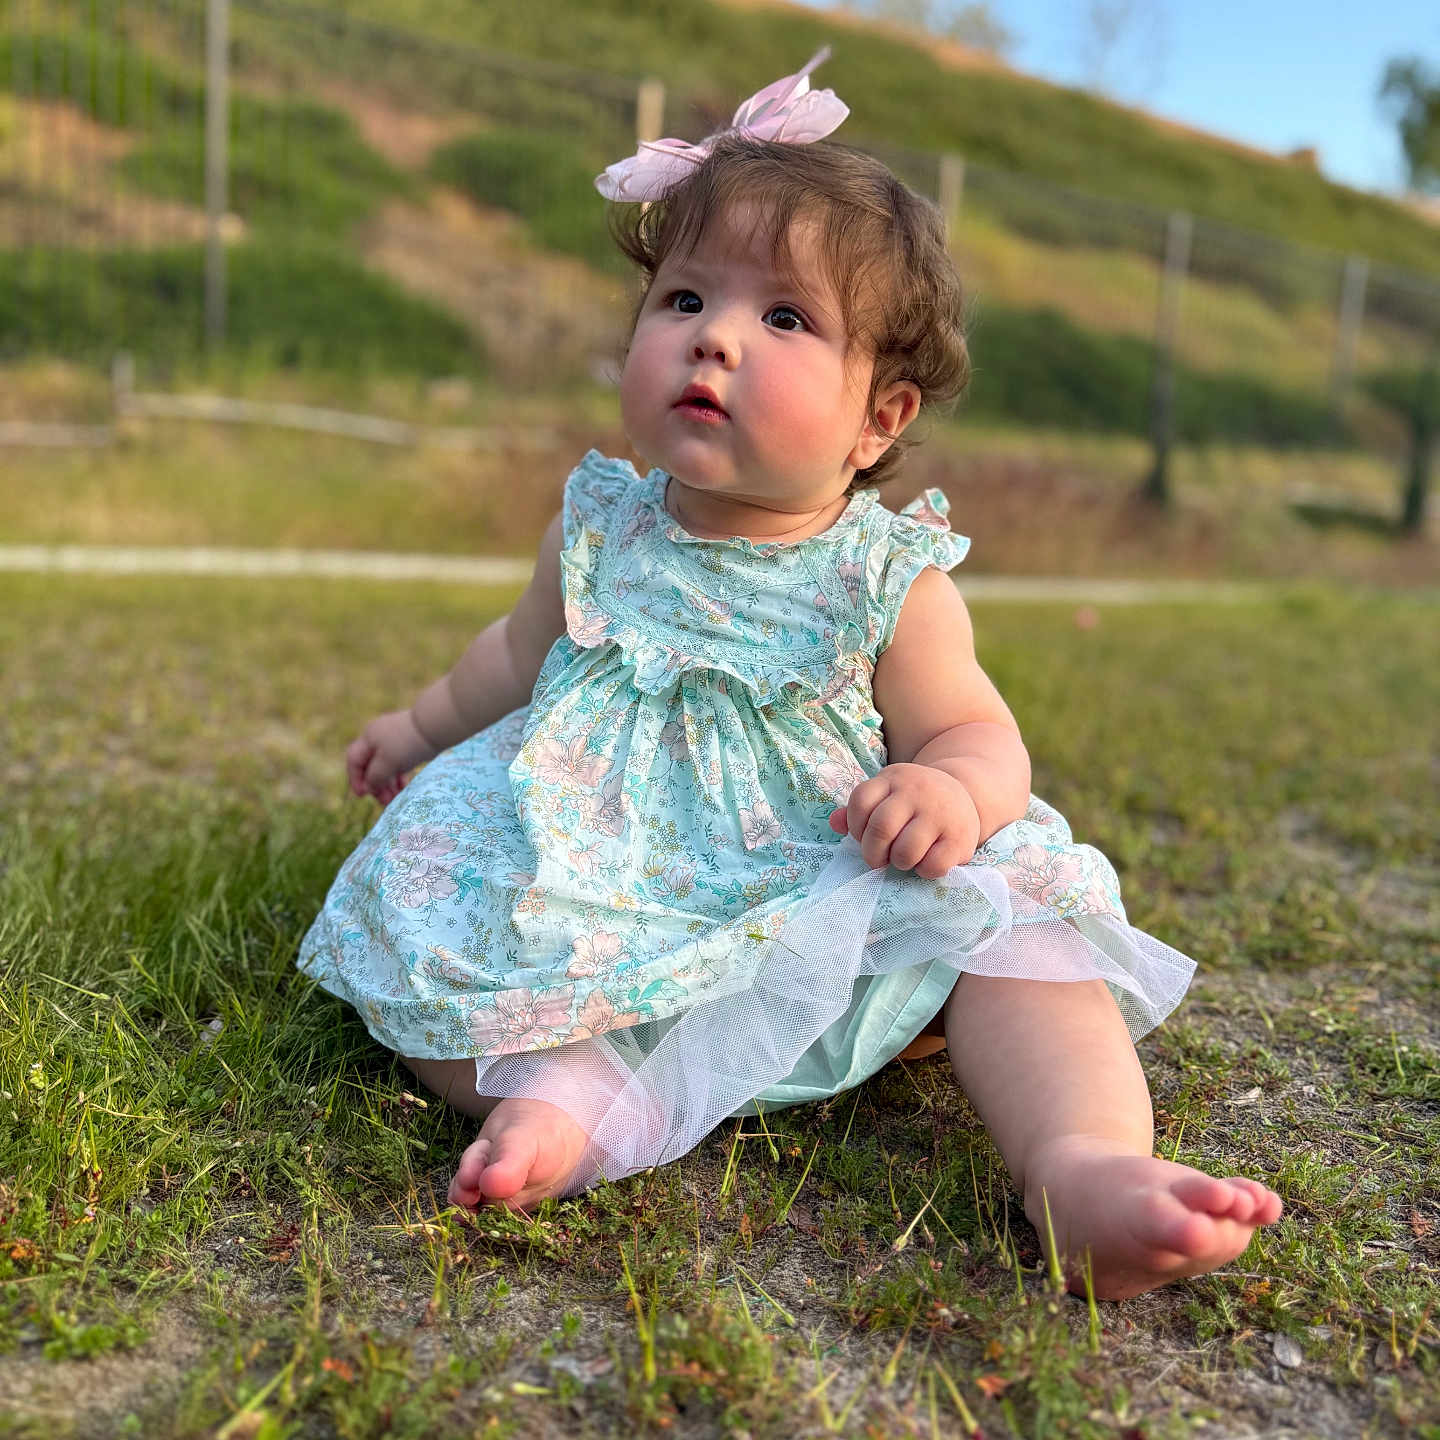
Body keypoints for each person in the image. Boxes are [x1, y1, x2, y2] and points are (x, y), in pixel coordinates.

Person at [297, 53, 1281, 1300]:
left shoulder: (886, 579)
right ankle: (573, 1094)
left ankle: (1083, 1166)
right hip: (614, 880)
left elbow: (978, 731)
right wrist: (417, 727)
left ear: (879, 419)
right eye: (683, 298)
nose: (712, 335)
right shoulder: (602, 531)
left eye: (784, 319)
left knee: (1021, 934)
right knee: (437, 931)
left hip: (822, 882)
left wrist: (953, 797)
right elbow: (514, 652)